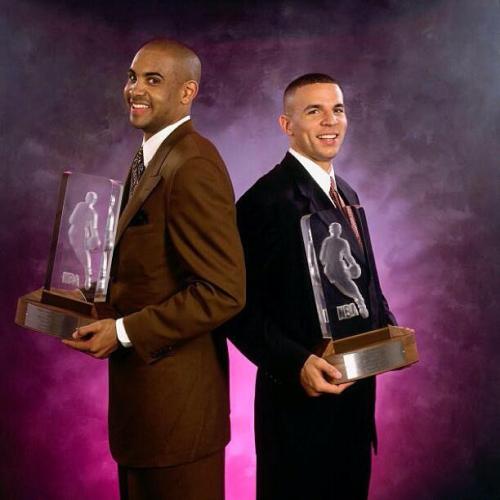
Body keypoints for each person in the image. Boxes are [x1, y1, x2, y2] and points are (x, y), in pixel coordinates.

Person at [63, 38, 245, 500]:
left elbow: (223, 291)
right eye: (132, 77)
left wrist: (122, 332)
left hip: (178, 418)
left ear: (187, 93)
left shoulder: (193, 163)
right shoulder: (152, 155)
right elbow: (145, 274)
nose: (134, 89)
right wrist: (86, 301)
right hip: (145, 412)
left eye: (153, 79)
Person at [227, 74, 396, 499]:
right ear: (286, 124)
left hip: (354, 412)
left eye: (337, 109)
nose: (329, 121)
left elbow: (364, 279)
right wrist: (294, 362)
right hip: (296, 417)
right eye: (313, 110)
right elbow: (235, 306)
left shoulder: (348, 193)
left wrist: (387, 328)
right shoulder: (263, 201)